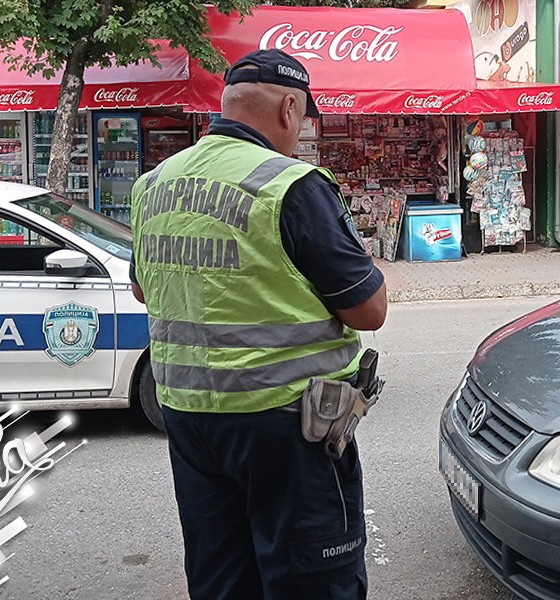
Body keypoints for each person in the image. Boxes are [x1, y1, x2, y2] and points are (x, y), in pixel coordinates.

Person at [129, 48, 387, 600]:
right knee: (312, 580)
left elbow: (142, 287)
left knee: (222, 576)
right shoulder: (291, 185)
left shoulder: (155, 184)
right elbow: (369, 310)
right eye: (306, 118)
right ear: (289, 108)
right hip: (285, 424)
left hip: (189, 420)